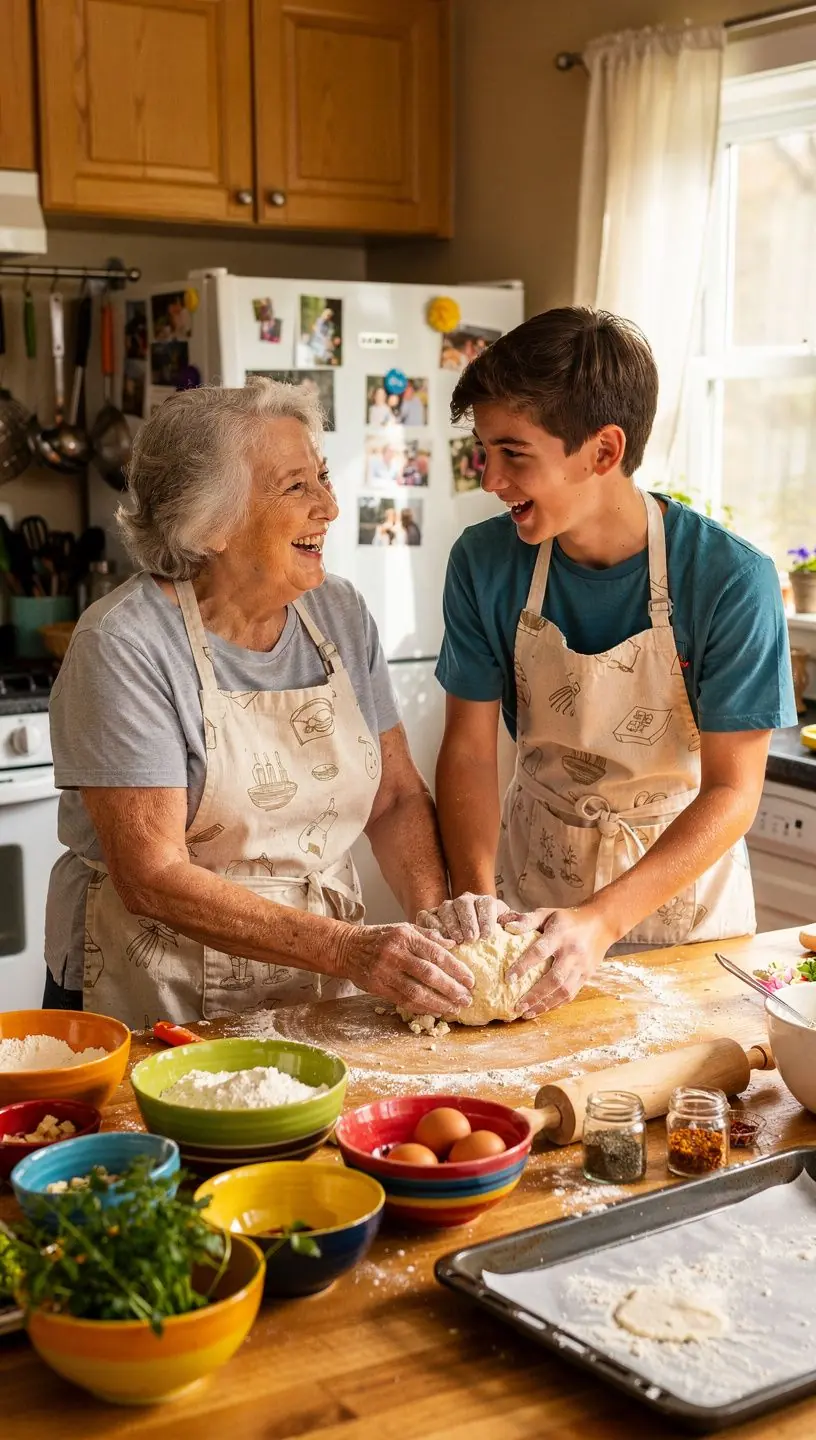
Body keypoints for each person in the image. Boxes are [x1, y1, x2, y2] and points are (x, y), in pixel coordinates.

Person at [44, 379, 473, 1028]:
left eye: (323, 477)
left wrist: (436, 923)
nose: (329, 505)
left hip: (317, 979)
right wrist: (349, 950)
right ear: (209, 522)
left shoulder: (340, 613)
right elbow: (152, 874)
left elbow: (394, 797)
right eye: (296, 486)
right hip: (156, 992)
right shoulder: (123, 644)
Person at [422, 307, 796, 1017]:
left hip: (686, 916)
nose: (490, 478)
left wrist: (600, 921)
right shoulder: (483, 562)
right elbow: (469, 750)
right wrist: (476, 900)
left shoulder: (727, 579)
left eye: (513, 453)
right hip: (532, 902)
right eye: (483, 450)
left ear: (602, 450)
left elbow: (732, 793)